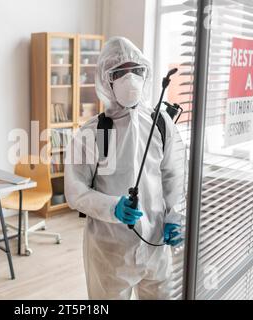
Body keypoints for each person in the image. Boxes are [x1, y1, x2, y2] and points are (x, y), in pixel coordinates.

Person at [65, 37, 185, 300]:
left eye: (136, 70)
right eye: (120, 72)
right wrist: (112, 207)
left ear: (145, 73)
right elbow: (75, 191)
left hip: (156, 245)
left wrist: (174, 217)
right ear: (106, 80)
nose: (129, 79)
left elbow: (173, 176)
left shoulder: (161, 124)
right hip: (109, 251)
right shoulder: (91, 133)